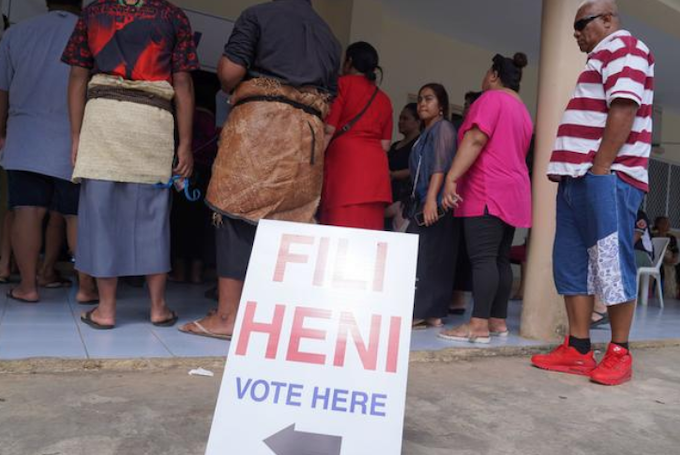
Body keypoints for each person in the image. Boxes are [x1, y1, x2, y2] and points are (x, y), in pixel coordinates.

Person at [179, 0, 341, 340]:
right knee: (285, 227)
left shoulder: (258, 15)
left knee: (234, 215)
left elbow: (229, 74)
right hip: (306, 139)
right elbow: (331, 95)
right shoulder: (329, 36)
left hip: (261, 128)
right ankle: (263, 315)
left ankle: (227, 317)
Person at [531, 0, 655, 386]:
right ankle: (579, 348)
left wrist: (600, 168)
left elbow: (624, 107)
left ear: (606, 20)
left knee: (610, 263)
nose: (576, 34)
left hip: (607, 177)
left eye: (581, 25)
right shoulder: (600, 59)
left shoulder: (625, 47)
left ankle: (619, 352)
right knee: (572, 265)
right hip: (577, 180)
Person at [62, 0, 199, 329]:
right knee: (152, 218)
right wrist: (185, 143)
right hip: (151, 121)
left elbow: (78, 77)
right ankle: (158, 307)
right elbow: (183, 84)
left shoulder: (94, 13)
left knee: (101, 216)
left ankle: (106, 310)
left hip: (104, 119)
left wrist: (77, 134)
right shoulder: (173, 16)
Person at [0, 0, 97, 304]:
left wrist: (2, 132)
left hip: (25, 136)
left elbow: (2, 90)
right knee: (75, 214)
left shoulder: (17, 34)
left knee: (27, 210)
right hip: (74, 138)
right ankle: (85, 288)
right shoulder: (91, 33)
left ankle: (28, 286)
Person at [439, 53, 533, 343]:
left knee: (482, 259)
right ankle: (496, 321)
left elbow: (476, 139)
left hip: (487, 188)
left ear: (493, 75)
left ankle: (477, 325)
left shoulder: (490, 99)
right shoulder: (523, 112)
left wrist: (451, 177)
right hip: (515, 191)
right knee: (499, 259)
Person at [320, 41, 393, 230]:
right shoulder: (384, 98)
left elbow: (328, 130)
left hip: (346, 166)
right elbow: (385, 145)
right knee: (368, 236)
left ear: (349, 61)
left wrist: (313, 160)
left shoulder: (342, 84)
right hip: (375, 172)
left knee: (339, 231)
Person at [408, 83, 459, 329]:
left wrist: (430, 200)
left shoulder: (443, 128)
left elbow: (440, 166)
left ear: (441, 106)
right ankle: (432, 313)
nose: (422, 104)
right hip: (423, 200)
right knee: (427, 256)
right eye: (420, 99)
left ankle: (424, 312)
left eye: (429, 99)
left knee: (429, 258)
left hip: (435, 202)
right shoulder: (425, 133)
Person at [385, 102, 420, 231]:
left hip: (404, 198)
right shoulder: (394, 146)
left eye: (405, 118)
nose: (400, 122)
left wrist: (394, 175)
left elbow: (419, 169)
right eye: (400, 118)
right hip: (389, 194)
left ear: (417, 121)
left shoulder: (419, 144)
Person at [652, 216, 678, 298]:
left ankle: (671, 293)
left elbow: (675, 251)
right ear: (659, 225)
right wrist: (664, 258)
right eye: (665, 223)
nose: (668, 225)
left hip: (670, 262)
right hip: (656, 260)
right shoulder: (653, 236)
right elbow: (653, 251)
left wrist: (674, 258)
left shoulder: (671, 238)